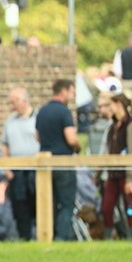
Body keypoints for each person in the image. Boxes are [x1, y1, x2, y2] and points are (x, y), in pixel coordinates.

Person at [35, 79, 81, 241]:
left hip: (45, 163)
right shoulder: (64, 112)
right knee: (67, 203)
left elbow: (37, 136)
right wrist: (78, 147)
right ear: (64, 91)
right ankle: (62, 237)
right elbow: (71, 139)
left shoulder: (42, 111)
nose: (72, 95)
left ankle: (49, 235)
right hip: (63, 162)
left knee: (50, 202)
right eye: (72, 92)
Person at [101, 93, 132, 240]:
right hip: (113, 174)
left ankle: (131, 237)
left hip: (127, 175)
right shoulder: (112, 127)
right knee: (107, 207)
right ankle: (108, 236)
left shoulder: (131, 126)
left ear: (119, 105)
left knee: (129, 208)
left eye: (110, 105)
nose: (108, 109)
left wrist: (129, 179)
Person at [0, 87, 39, 240]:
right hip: (17, 172)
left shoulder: (38, 118)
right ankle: (25, 238)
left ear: (23, 101)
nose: (11, 106)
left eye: (13, 102)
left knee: (37, 204)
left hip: (35, 171)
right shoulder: (9, 122)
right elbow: (4, 145)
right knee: (20, 207)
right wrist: (7, 168)